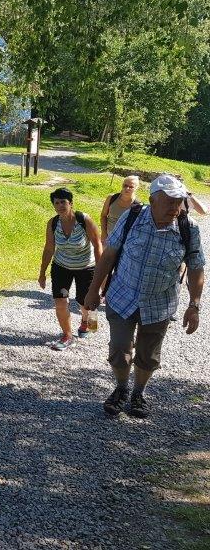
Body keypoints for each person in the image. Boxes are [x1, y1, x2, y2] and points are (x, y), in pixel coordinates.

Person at [85, 175, 204, 418]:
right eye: (169, 201)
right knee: (119, 349)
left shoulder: (188, 228)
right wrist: (93, 290)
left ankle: (138, 392)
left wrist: (194, 305)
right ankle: (121, 388)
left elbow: (196, 267)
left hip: (160, 304)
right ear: (152, 200)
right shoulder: (132, 217)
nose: (175, 208)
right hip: (122, 296)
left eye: (179, 201)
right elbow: (108, 255)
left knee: (148, 355)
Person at [38, 187, 103, 350]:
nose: (60, 205)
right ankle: (67, 335)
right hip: (61, 266)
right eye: (57, 202)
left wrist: (101, 272)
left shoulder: (83, 220)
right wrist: (42, 273)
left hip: (86, 267)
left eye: (63, 202)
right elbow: (49, 248)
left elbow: (97, 244)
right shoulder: (53, 223)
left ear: (71, 203)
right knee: (60, 301)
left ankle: (88, 322)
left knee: (85, 302)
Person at [100, 175, 141, 243]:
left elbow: (136, 227)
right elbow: (103, 216)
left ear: (136, 188)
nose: (127, 188)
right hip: (107, 238)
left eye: (131, 187)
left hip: (124, 242)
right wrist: (104, 234)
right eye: (125, 185)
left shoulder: (137, 205)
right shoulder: (111, 198)